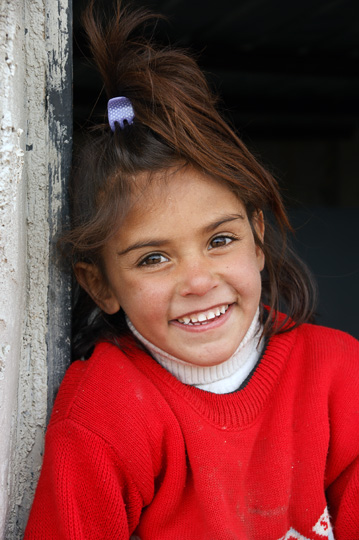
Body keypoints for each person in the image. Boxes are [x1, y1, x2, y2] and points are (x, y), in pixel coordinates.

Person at [24, 1, 359, 539]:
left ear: (258, 239)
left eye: (220, 240)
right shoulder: (106, 414)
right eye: (153, 258)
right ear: (100, 284)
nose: (199, 282)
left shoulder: (339, 373)